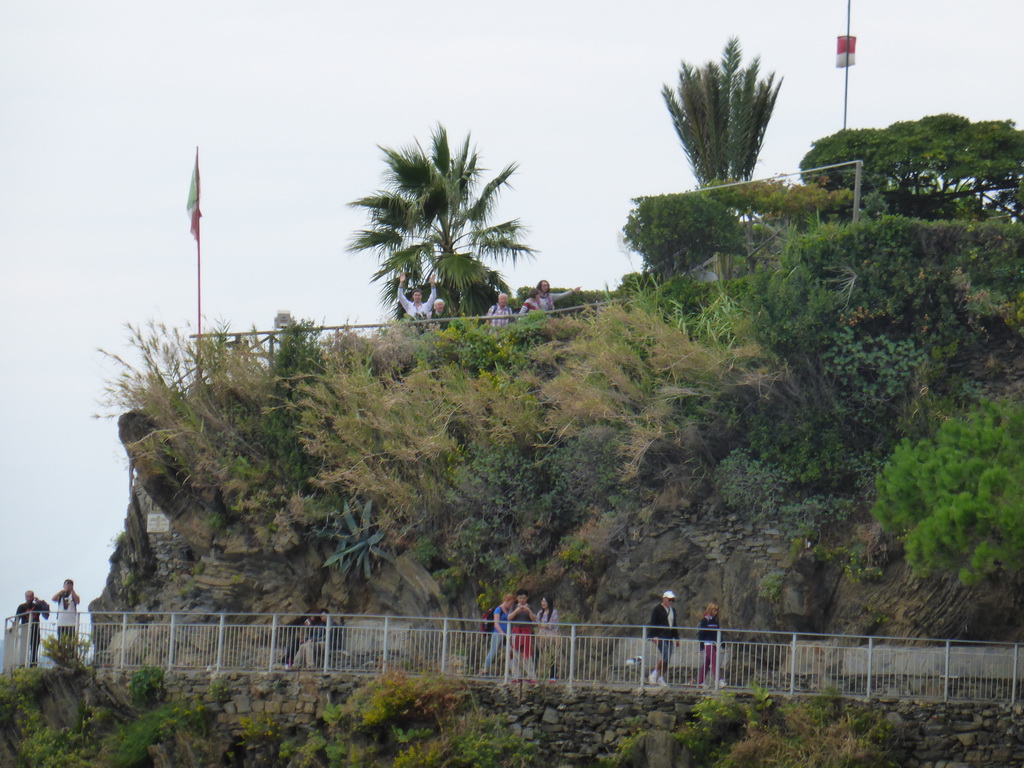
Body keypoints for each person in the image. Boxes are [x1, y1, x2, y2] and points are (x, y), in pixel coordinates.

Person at [647, 590, 679, 687]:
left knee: (667, 657)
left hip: (668, 636)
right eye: (669, 600)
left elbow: (674, 625)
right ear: (664, 599)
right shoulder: (657, 609)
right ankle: (655, 674)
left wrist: (676, 638)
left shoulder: (672, 611)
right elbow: (653, 622)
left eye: (672, 600)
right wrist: (654, 636)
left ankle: (661, 677)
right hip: (660, 635)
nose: (670, 602)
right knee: (665, 654)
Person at [480, 594, 515, 675]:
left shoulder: (508, 611)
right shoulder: (498, 609)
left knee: (509, 651)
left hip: (506, 635)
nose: (511, 605)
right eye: (510, 603)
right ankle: (485, 668)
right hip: (498, 633)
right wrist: (502, 633)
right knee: (493, 651)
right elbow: (496, 623)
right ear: (506, 600)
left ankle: (512, 669)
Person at [508, 590, 538, 682]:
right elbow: (509, 618)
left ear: (527, 598)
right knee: (516, 654)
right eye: (520, 598)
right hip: (516, 631)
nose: (522, 600)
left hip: (527, 632)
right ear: (517, 598)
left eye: (524, 598)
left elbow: (535, 619)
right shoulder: (513, 606)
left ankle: (532, 676)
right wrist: (516, 611)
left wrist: (528, 611)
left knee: (527, 655)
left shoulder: (530, 606)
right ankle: (516, 676)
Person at [14, 591, 50, 666]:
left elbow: (46, 615)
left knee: (34, 649)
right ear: (25, 598)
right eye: (28, 597)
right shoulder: (22, 607)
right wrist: (15, 629)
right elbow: (17, 620)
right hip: (25, 630)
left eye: (31, 597)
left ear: (33, 597)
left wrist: (39, 602)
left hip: (35, 630)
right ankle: (22, 665)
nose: (29, 598)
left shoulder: (37, 606)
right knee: (23, 649)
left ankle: (33, 666)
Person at [697, 602, 725, 688]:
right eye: (713, 610)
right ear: (710, 610)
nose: (715, 612)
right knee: (714, 661)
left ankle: (700, 682)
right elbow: (702, 633)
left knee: (707, 662)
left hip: (714, 644)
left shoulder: (715, 621)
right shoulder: (705, 620)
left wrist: (722, 643)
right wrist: (701, 645)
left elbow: (718, 633)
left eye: (716, 610)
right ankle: (719, 680)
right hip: (707, 643)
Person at [536, 596, 560, 682]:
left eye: (545, 601)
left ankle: (552, 676)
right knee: (537, 653)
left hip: (551, 636)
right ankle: (535, 674)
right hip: (541, 636)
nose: (543, 603)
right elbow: (538, 623)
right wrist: (543, 626)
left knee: (552, 655)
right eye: (542, 601)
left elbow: (552, 624)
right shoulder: (540, 613)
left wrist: (544, 625)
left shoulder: (554, 612)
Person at [52, 579, 80, 644]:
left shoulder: (73, 596)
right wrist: (62, 591)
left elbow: (77, 601)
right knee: (60, 641)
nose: (68, 586)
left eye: (70, 585)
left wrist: (72, 591)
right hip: (61, 622)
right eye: (67, 584)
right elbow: (53, 599)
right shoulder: (61, 596)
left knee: (71, 641)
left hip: (71, 623)